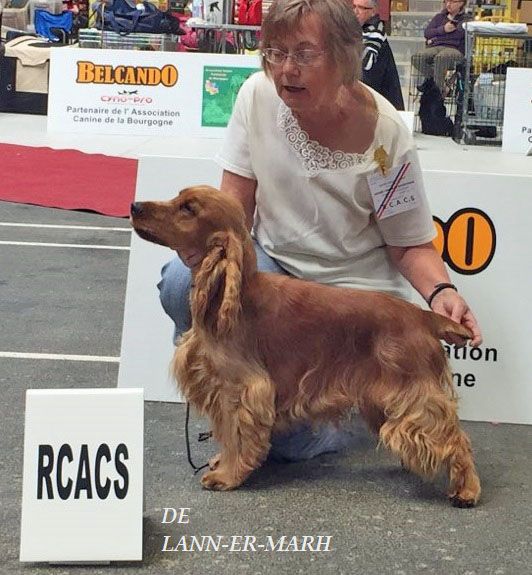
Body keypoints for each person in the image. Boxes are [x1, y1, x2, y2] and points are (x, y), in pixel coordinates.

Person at [158, 0, 482, 462]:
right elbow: (233, 214)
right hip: (273, 275)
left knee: (293, 444)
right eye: (276, 52)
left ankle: (318, 418)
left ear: (344, 56)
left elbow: (409, 243)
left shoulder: (386, 135)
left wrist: (441, 291)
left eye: (305, 54)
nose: (287, 69)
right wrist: (204, 255)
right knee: (178, 282)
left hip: (348, 291)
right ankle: (249, 404)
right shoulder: (256, 96)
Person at [353, 0, 404, 109]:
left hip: (381, 105)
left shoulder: (375, 34)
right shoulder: (360, 31)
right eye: (354, 6)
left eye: (361, 8)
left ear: (373, 11)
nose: (355, 11)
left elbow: (365, 72)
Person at [412, 0, 471, 94]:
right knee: (417, 57)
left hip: (456, 50)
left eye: (452, 2)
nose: (448, 4)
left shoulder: (467, 19)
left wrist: (435, 38)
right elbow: (427, 33)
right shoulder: (439, 17)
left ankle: (436, 93)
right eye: (446, 1)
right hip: (437, 47)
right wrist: (443, 29)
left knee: (441, 58)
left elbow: (459, 35)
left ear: (461, 3)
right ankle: (436, 83)